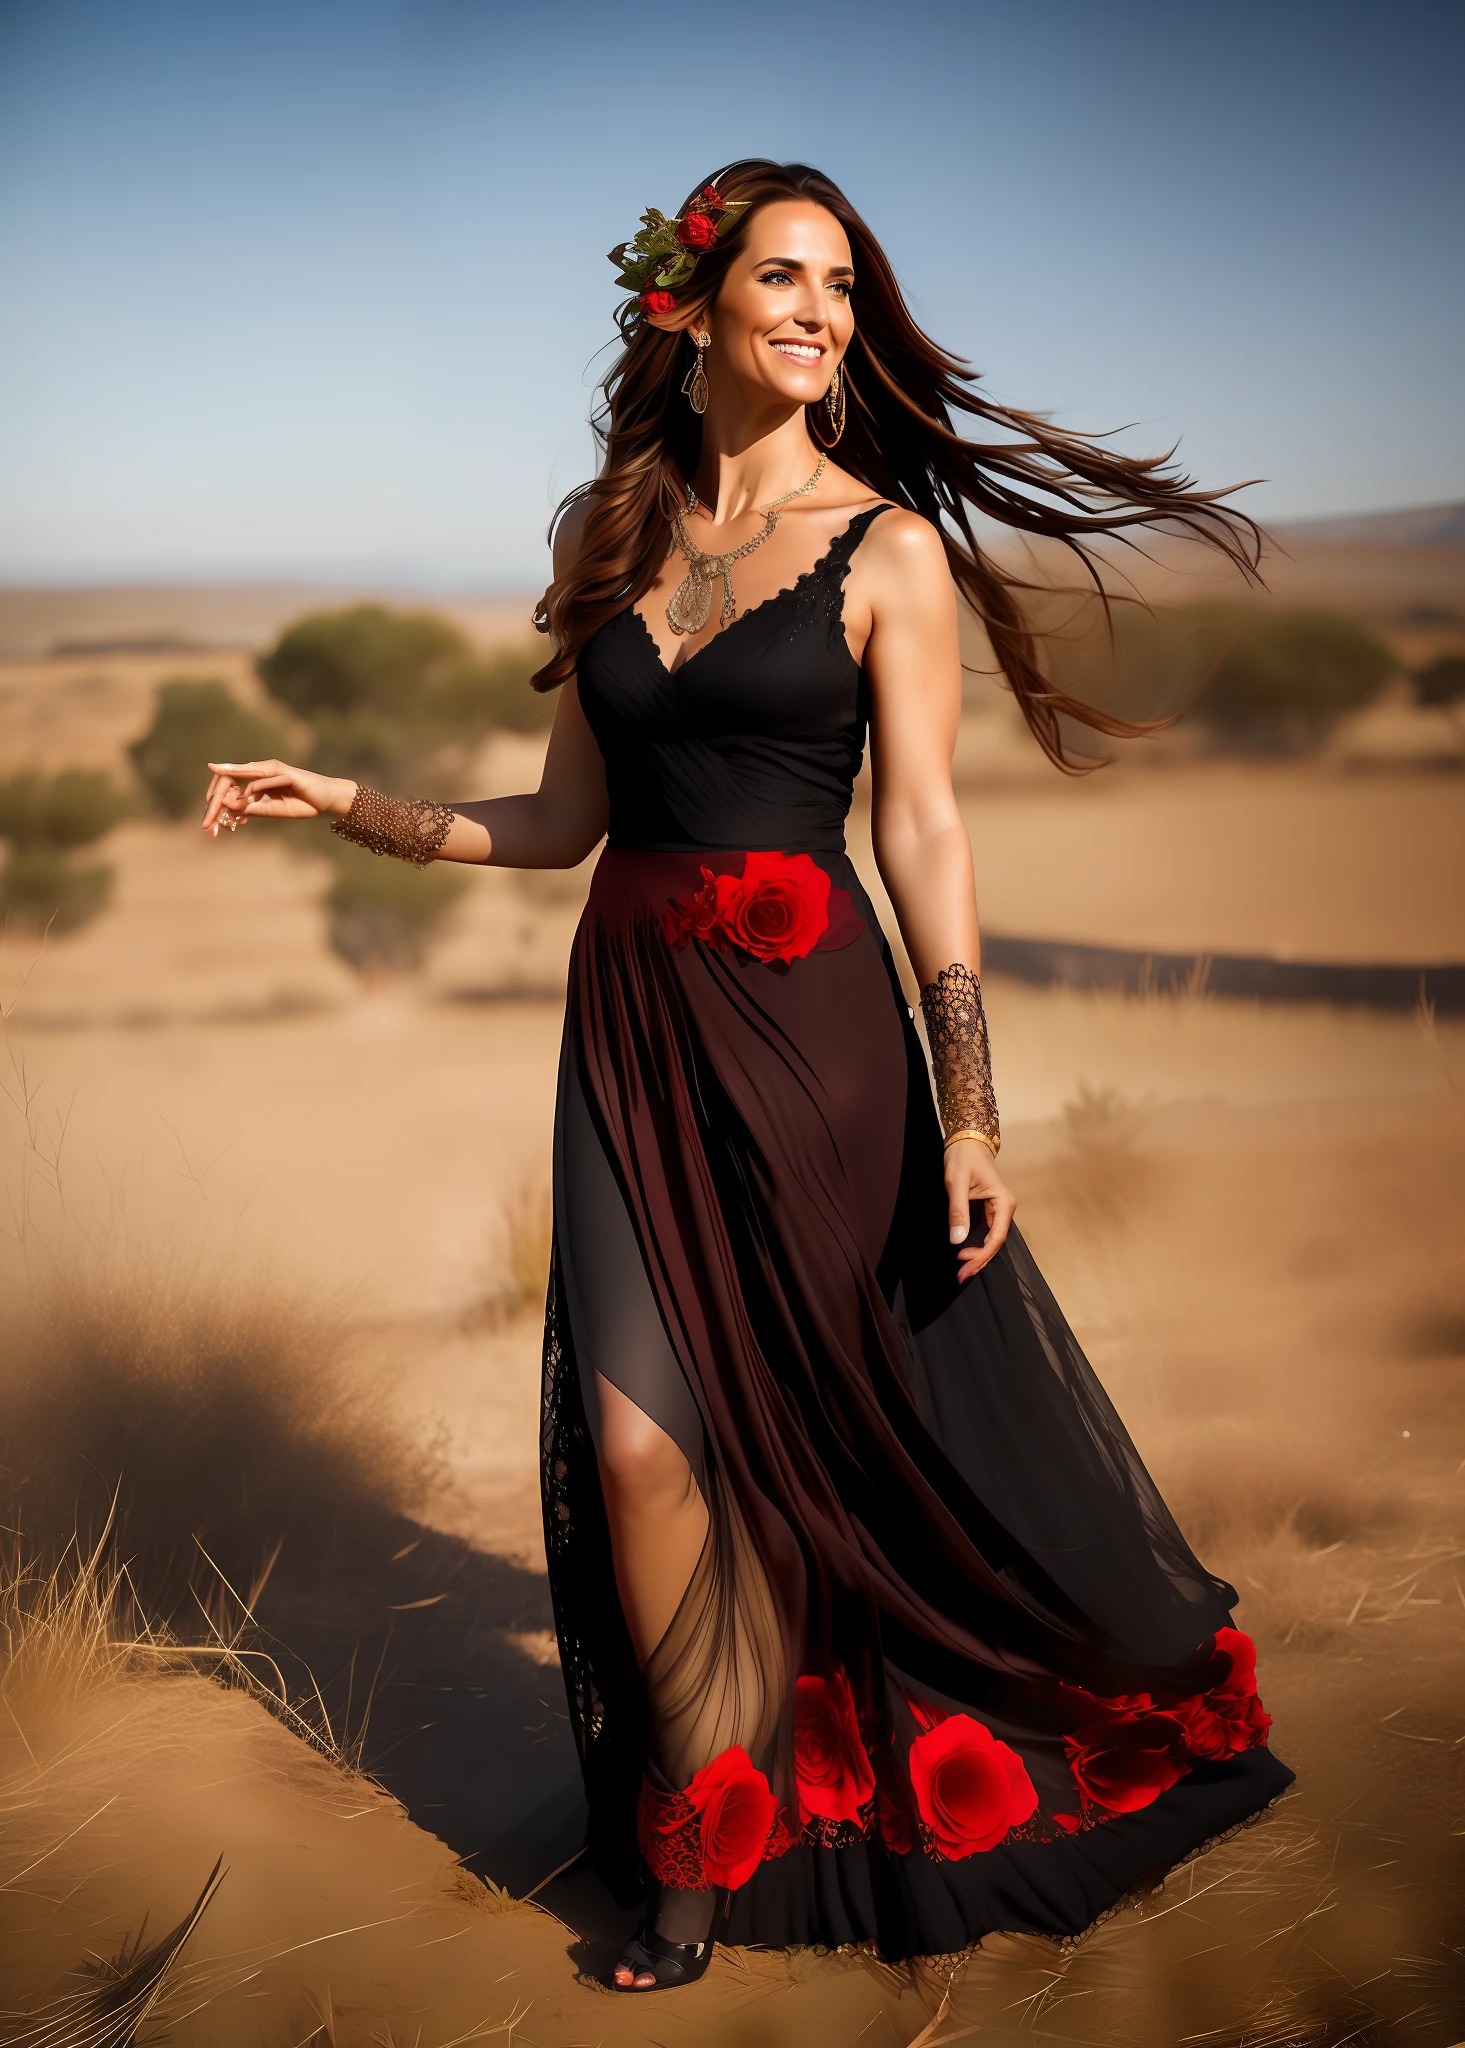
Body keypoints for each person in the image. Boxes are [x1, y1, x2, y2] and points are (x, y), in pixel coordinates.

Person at [202, 159, 1293, 1993]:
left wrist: (970, 1105)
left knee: (828, 1447)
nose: (818, 313)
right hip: (630, 1031)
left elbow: (926, 832)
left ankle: (911, 1730)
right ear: (691, 308)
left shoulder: (891, 550)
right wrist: (350, 804)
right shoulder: (605, 535)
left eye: (844, 290)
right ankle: (702, 1836)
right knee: (642, 1450)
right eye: (782, 279)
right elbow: (559, 822)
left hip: (826, 1051)